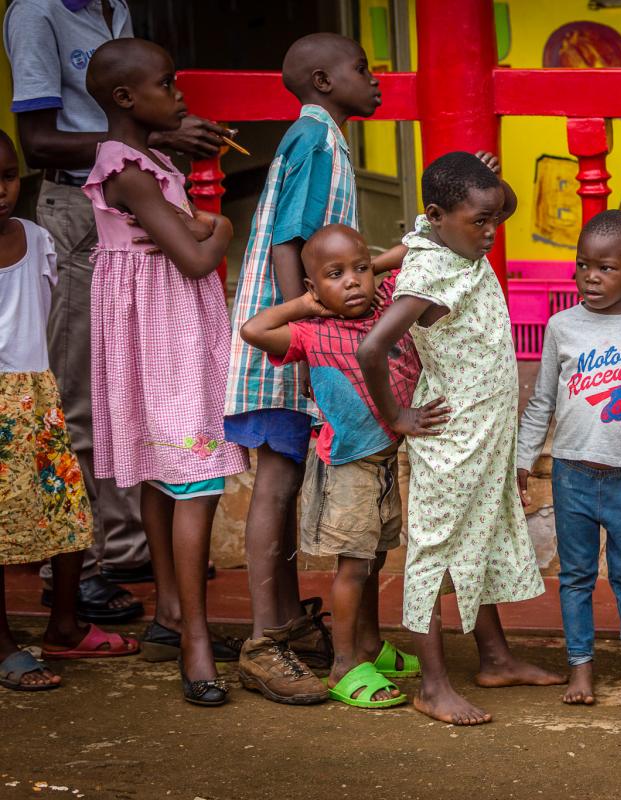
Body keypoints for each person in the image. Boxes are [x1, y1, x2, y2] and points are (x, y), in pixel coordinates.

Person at [4, 0, 229, 624]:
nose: (176, 93)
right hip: (80, 212)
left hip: (141, 232)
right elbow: (40, 138)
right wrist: (161, 145)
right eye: (169, 85)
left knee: (143, 416)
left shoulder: (119, 9)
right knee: (85, 396)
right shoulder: (37, 13)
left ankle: (130, 556)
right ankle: (74, 567)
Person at [358, 151, 565, 726]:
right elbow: (372, 348)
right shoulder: (429, 272)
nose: (492, 232)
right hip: (453, 444)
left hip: (488, 439)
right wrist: (398, 416)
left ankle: (495, 657)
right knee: (433, 557)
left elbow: (497, 206)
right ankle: (432, 686)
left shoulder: (452, 237)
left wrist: (487, 187)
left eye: (493, 219)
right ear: (436, 215)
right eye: (480, 221)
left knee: (485, 539)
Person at [224, 33, 397, 705]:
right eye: (362, 68)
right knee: (277, 477)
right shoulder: (317, 141)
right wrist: (303, 332)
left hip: (296, 338)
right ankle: (265, 643)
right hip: (286, 342)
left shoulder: (325, 139)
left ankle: (290, 627)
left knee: (287, 475)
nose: (375, 78)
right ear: (323, 81)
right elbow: (288, 246)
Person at [82, 38, 250, 705]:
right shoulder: (128, 168)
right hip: (168, 338)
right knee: (199, 477)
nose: (180, 94)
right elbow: (195, 256)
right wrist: (221, 232)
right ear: (127, 99)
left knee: (164, 473)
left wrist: (197, 228)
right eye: (168, 83)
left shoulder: (147, 160)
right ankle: (196, 643)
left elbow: (184, 235)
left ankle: (171, 615)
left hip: (159, 332)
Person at [240, 224, 420, 708]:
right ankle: (344, 666)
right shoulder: (311, 332)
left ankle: (366, 645)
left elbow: (414, 249)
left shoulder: (383, 305)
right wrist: (305, 304)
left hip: (383, 463)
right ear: (313, 287)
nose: (354, 283)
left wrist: (375, 265)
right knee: (355, 566)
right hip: (346, 469)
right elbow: (253, 329)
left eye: (360, 269)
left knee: (377, 556)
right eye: (335, 275)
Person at [515, 209, 621, 706]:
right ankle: (580, 668)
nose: (591, 276)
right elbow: (542, 401)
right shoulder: (561, 326)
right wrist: (524, 458)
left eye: (606, 267)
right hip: (572, 475)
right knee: (576, 576)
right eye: (584, 264)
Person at [1, 129, 138, 691]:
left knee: (69, 515)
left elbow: (48, 310)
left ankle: (65, 624)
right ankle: (4, 643)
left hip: (38, 397)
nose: (0, 191)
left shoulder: (36, 239)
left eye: (7, 177)